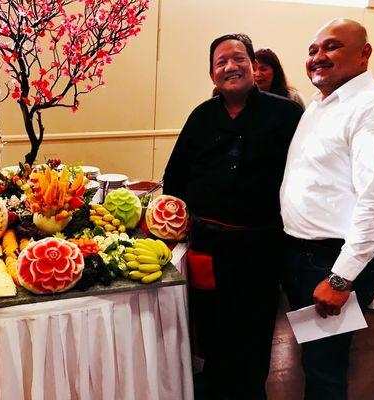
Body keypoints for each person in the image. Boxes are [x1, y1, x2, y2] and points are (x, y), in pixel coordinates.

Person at [163, 33, 303, 399]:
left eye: (238, 58)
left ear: (253, 66)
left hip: (263, 243)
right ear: (213, 75)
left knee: (255, 329)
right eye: (221, 62)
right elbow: (174, 178)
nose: (230, 66)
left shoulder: (287, 114)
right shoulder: (201, 116)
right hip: (209, 244)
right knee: (210, 327)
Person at [280, 18, 374, 400]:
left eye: (332, 47)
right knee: (314, 358)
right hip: (302, 252)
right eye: (312, 50)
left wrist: (341, 278)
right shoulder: (321, 104)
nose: (318, 57)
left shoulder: (373, 106)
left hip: (332, 258)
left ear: (364, 53)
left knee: (325, 367)